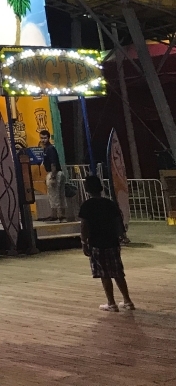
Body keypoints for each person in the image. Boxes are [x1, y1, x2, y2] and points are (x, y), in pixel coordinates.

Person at [79, 174, 135, 312]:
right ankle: (127, 300)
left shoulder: (87, 205)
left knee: (104, 274)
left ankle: (111, 302)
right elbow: (117, 221)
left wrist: (84, 242)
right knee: (118, 272)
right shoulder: (109, 203)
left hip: (97, 243)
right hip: (112, 241)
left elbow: (84, 226)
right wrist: (121, 235)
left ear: (87, 189)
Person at [40, 129, 67, 221]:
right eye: (42, 138)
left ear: (48, 138)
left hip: (54, 173)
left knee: (54, 194)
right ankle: (60, 215)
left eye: (45, 138)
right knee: (58, 194)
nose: (43, 140)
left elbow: (53, 163)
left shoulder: (50, 149)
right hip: (55, 173)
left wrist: (53, 175)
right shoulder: (46, 149)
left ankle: (56, 215)